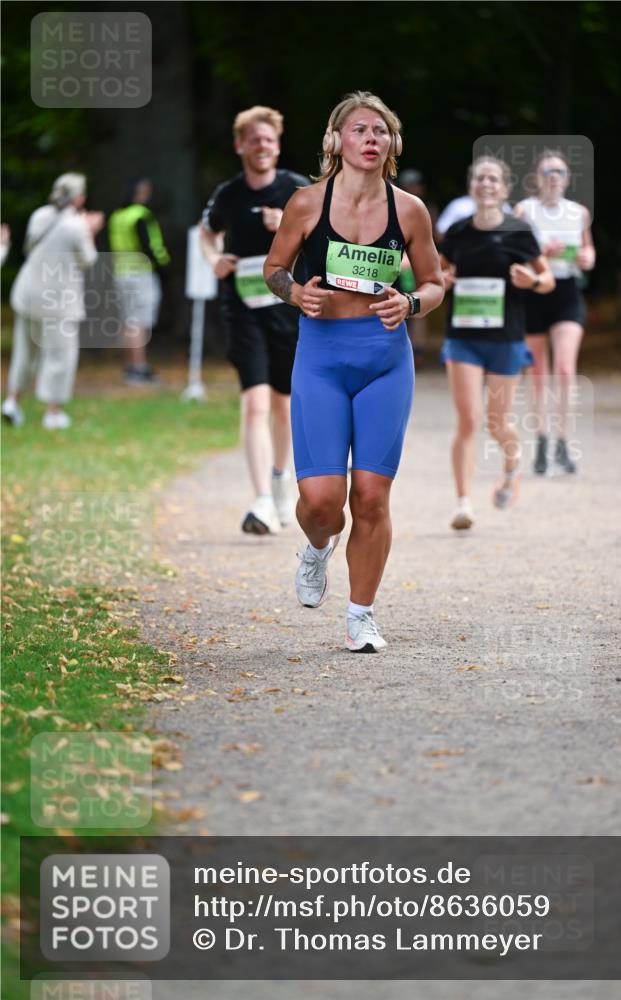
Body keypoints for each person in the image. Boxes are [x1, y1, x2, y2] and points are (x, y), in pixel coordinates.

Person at [264, 91, 444, 652]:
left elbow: (435, 283)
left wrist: (411, 304)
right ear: (336, 140)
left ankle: (361, 615)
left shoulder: (409, 209)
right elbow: (274, 268)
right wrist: (294, 292)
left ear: (391, 144)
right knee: (322, 503)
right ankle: (317, 548)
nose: (371, 139)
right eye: (360, 129)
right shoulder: (305, 203)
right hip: (320, 358)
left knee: (370, 496)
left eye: (381, 131)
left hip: (385, 360)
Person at [200, 106, 309, 536]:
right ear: (240, 145)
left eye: (268, 139)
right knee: (255, 402)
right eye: (253, 139)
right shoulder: (228, 194)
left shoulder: (297, 189)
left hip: (286, 309)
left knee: (283, 405)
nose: (261, 146)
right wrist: (214, 259)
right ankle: (262, 498)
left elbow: (327, 235)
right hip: (241, 308)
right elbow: (205, 231)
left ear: (277, 145)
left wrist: (288, 225)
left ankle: (280, 482)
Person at [439, 156, 554, 531]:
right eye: (480, 178)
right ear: (472, 186)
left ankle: (512, 459)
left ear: (504, 190)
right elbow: (437, 273)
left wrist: (532, 282)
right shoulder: (457, 232)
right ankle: (463, 503)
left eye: (493, 179)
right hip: (464, 338)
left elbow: (547, 279)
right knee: (468, 420)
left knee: (495, 421)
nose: (486, 184)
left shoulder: (519, 232)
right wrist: (443, 279)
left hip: (505, 338)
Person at [515, 150, 595, 474]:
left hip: (566, 292)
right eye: (547, 171)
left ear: (567, 178)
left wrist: (587, 257)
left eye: (559, 171)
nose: (553, 177)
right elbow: (515, 255)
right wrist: (540, 254)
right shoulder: (525, 211)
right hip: (534, 291)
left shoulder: (578, 213)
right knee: (538, 373)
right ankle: (542, 440)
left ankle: (563, 440)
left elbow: (588, 249)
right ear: (537, 178)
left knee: (564, 368)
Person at [2, 173, 103, 429]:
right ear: (79, 197)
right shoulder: (76, 226)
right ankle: (53, 412)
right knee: (60, 355)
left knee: (25, 352)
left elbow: (27, 247)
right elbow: (88, 260)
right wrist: (91, 231)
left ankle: (12, 402)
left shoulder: (39, 215)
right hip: (58, 300)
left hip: (27, 294)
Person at [108, 177, 170, 385]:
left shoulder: (117, 216)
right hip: (140, 272)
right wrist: (163, 267)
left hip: (120, 272)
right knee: (139, 321)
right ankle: (139, 367)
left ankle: (130, 365)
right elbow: (152, 244)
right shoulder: (141, 215)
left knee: (128, 320)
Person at [396, 169, 439, 368]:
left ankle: (417, 351)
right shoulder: (396, 204)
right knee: (400, 303)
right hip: (398, 265)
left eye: (418, 184)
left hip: (418, 264)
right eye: (412, 184)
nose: (416, 187)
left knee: (416, 304)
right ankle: (411, 349)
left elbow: (436, 236)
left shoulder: (426, 207)